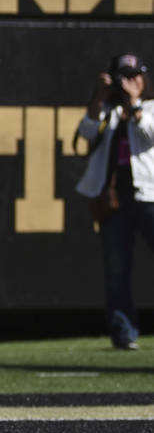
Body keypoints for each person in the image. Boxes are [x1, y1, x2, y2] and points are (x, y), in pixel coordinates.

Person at [75, 53, 154, 350]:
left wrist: (134, 104)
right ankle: (124, 333)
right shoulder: (107, 110)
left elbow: (150, 133)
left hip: (149, 195)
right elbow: (85, 132)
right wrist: (98, 96)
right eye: (124, 77)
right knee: (117, 268)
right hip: (114, 200)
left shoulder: (149, 108)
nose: (131, 82)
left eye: (135, 76)